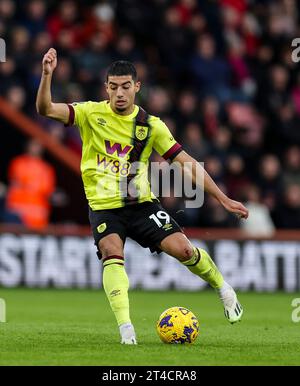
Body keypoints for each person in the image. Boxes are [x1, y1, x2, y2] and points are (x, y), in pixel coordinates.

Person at [36, 48, 249, 344]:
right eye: (113, 87)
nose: (119, 93)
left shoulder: (151, 126)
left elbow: (185, 162)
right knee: (112, 253)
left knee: (185, 251)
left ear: (137, 87)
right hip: (103, 208)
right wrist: (47, 76)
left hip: (141, 205)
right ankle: (127, 331)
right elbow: (45, 109)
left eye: (125, 87)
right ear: (106, 88)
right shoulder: (89, 113)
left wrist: (222, 198)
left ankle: (223, 288)